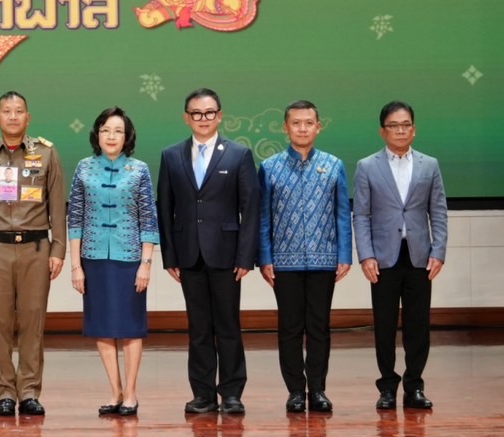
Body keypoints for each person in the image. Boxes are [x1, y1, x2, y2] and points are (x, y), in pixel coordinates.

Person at [157, 88, 259, 416]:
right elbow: (165, 208)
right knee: (198, 328)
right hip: (188, 254)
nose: (204, 118)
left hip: (227, 256)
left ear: (220, 115)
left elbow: (250, 209)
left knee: (228, 326)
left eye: (210, 112)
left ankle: (231, 393)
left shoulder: (239, 154)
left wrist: (246, 256)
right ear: (186, 117)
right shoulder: (171, 155)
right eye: (197, 113)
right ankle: (202, 395)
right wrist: (170, 256)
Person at [0, 90, 67, 417]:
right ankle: (4, 393)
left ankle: (29, 391)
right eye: (7, 111)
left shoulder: (47, 153)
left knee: (33, 322)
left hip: (36, 248)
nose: (13, 116)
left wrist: (58, 248)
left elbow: (57, 204)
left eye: (19, 111)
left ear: (28, 117)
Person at [257, 100, 353, 414]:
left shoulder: (334, 165)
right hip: (283, 263)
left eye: (308, 123)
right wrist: (265, 257)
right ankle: (296, 391)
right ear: (285, 128)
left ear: (318, 127)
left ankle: (318, 389)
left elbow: (342, 213)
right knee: (289, 328)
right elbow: (263, 217)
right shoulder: (269, 167)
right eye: (296, 123)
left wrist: (344, 254)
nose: (302, 128)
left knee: (319, 327)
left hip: (324, 261)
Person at [353, 100, 448, 411]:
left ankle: (415, 386)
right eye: (394, 126)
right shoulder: (367, 166)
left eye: (406, 125)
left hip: (420, 256)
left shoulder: (429, 165)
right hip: (383, 259)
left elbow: (438, 211)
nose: (400, 130)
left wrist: (439, 250)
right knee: (384, 325)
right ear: (383, 131)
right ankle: (387, 387)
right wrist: (366, 255)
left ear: (414, 130)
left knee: (418, 325)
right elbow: (361, 215)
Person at [67, 106, 159, 417]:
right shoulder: (83, 168)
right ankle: (115, 392)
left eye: (118, 131)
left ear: (127, 136)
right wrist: (76, 266)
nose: (111, 136)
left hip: (130, 259)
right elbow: (75, 218)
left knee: (131, 328)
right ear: (97, 134)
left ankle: (131, 394)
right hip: (93, 258)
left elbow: (149, 219)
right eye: (105, 130)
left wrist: (146, 263)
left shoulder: (139, 170)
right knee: (102, 327)